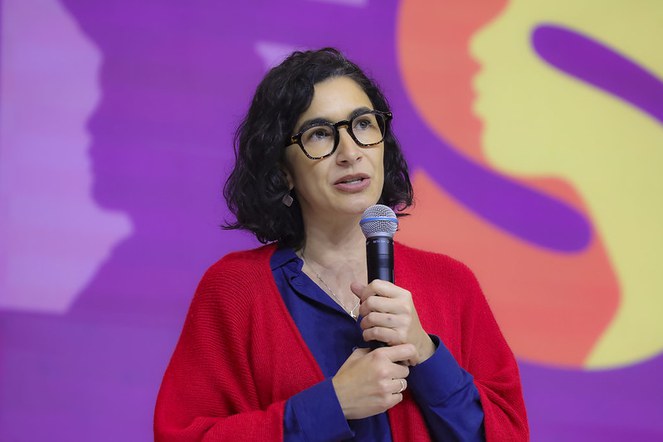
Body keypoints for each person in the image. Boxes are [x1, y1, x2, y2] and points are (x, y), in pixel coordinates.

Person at [154, 48, 529, 441]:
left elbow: (509, 433)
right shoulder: (235, 290)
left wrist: (426, 353)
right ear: (283, 171)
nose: (351, 153)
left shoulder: (452, 283)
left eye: (363, 125)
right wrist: (332, 405)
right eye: (320, 134)